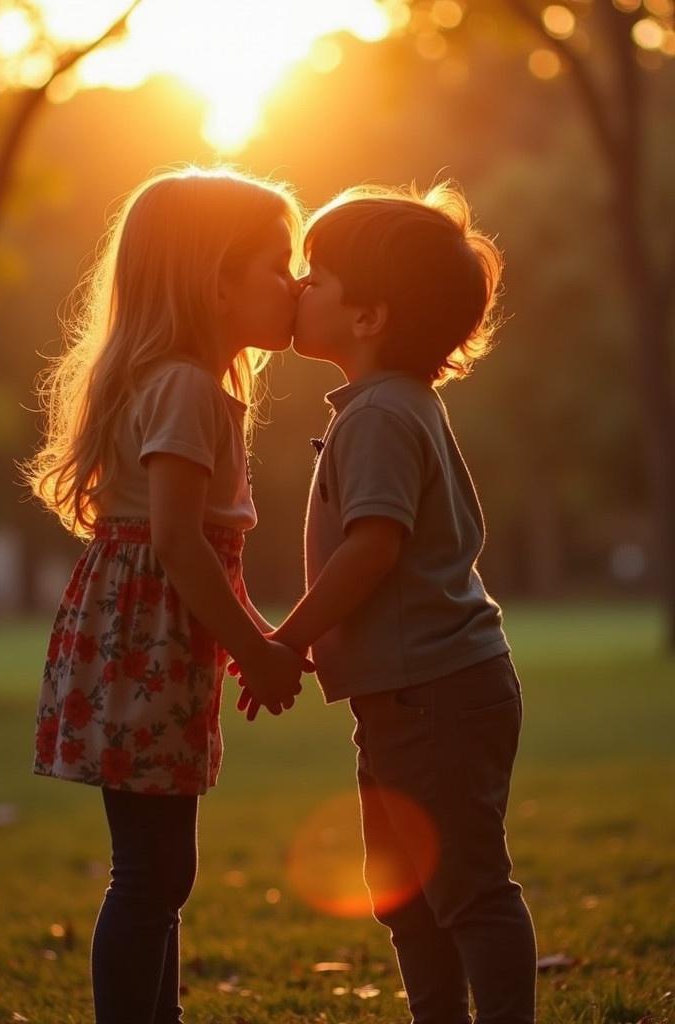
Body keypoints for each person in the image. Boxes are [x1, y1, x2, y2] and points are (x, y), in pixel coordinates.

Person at [239, 182, 537, 1024]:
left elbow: (374, 546)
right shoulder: (388, 407)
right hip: (414, 694)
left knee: (468, 884)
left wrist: (285, 641)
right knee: (402, 889)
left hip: (434, 693)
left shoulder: (377, 416)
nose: (299, 287)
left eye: (318, 277)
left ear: (368, 318)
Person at [20, 166, 307, 1024]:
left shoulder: (187, 384)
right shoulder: (184, 386)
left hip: (149, 640)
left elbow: (191, 554)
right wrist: (257, 647)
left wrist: (253, 636)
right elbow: (179, 546)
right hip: (146, 643)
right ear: (214, 280)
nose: (294, 284)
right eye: (276, 263)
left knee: (155, 867)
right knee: (153, 871)